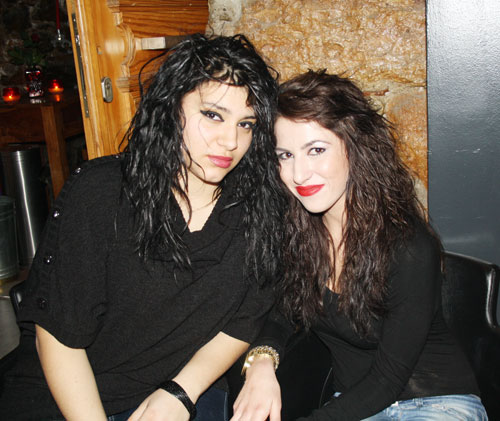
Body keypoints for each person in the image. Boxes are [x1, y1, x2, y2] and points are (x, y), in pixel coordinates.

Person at [0, 33, 283, 421]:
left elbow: (245, 319)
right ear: (171, 108)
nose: (230, 141)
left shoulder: (258, 207)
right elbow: (59, 336)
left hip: (179, 386)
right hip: (71, 395)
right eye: (213, 115)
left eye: (246, 124)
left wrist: (180, 393)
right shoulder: (102, 193)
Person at [231, 70, 487, 420]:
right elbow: (282, 312)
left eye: (316, 150)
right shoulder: (298, 234)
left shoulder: (408, 245)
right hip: (353, 405)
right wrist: (261, 362)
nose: (299, 174)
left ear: (354, 148)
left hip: (436, 401)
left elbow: (388, 379)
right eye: (285, 155)